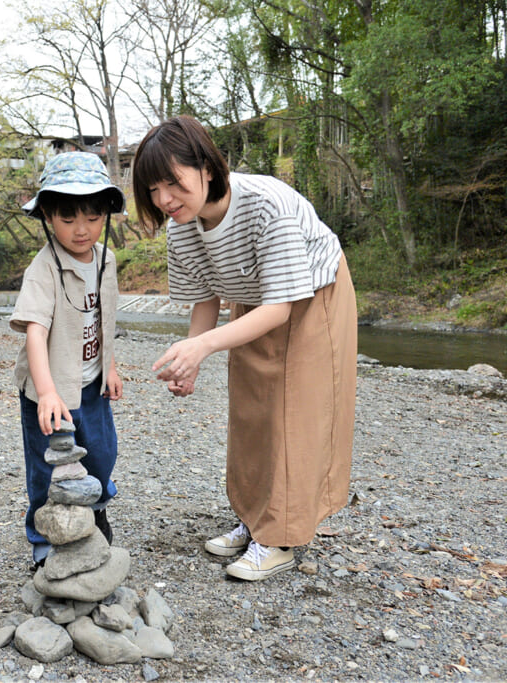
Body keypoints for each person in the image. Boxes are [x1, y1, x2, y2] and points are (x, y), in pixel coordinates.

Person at [131, 116, 356, 581]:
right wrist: (191, 358)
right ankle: (255, 519)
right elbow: (206, 296)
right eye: (153, 190)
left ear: (207, 168)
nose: (164, 200)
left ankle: (280, 538)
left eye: (172, 183)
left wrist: (204, 347)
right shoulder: (181, 226)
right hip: (256, 296)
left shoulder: (265, 204)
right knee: (251, 406)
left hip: (315, 292)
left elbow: (280, 308)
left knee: (292, 412)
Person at [10, 151, 126, 569]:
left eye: (93, 217)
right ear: (47, 215)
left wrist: (109, 366)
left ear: (106, 215)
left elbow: (105, 317)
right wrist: (46, 393)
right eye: (68, 218)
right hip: (49, 389)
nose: (82, 229)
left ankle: (94, 509)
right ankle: (43, 541)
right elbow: (35, 333)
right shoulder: (44, 270)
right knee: (46, 469)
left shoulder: (106, 260)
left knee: (101, 453)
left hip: (91, 384)